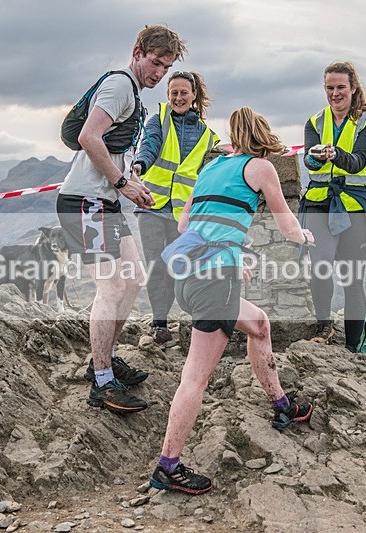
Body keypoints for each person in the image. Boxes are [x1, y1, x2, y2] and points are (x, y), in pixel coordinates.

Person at [149, 107, 316, 495]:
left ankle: (282, 404)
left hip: (188, 277)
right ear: (263, 135)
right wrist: (303, 237)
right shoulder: (259, 167)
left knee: (259, 325)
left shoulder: (211, 168)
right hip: (214, 283)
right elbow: (286, 223)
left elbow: (184, 225)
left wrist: (231, 252)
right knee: (196, 377)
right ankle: (167, 466)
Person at [56, 25, 187, 413]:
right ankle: (101, 381)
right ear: (138, 52)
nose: (159, 73)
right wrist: (122, 182)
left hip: (104, 201)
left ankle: (106, 359)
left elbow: (113, 150)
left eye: (166, 67)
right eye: (156, 63)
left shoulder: (133, 93)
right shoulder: (119, 86)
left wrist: (132, 181)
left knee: (132, 280)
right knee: (111, 289)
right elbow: (88, 138)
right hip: (85, 201)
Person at [301, 60, 366, 352]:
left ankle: (354, 345)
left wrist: (335, 154)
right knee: (321, 265)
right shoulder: (314, 122)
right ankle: (324, 325)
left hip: (353, 203)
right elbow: (308, 160)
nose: (335, 93)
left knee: (353, 277)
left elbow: (358, 162)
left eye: (341, 87)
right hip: (319, 202)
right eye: (330, 88)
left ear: (353, 88)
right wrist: (315, 157)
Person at [133, 71, 218, 348]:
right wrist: (139, 165)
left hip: (184, 213)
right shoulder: (157, 119)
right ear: (168, 95)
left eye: (184, 93)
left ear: (194, 95)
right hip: (151, 205)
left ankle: (196, 322)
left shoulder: (208, 136)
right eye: (174, 93)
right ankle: (160, 324)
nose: (179, 98)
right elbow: (150, 145)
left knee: (181, 266)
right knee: (156, 264)